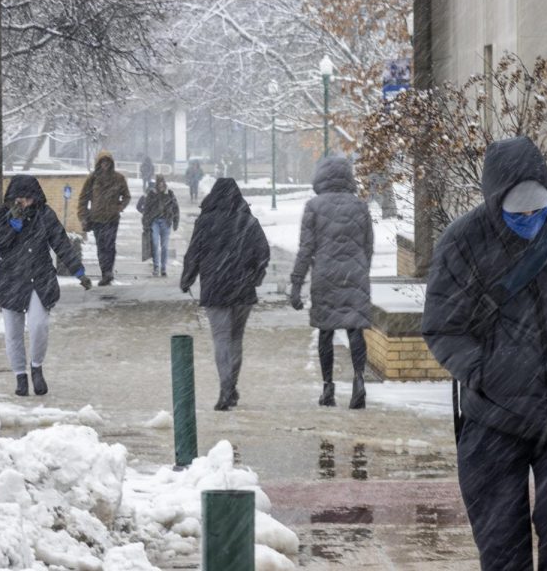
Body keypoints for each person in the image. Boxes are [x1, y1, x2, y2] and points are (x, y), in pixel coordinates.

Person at [421, 136, 547, 571]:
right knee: (502, 545)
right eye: (518, 214)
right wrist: (485, 372)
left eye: (539, 211)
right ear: (495, 205)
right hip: (494, 419)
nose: (531, 220)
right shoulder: (463, 244)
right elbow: (442, 326)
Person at [0, 175, 92, 397]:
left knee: (38, 325)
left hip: (39, 277)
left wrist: (78, 271)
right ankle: (20, 376)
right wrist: (12, 226)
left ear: (35, 198)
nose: (23, 203)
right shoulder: (1, 215)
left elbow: (61, 243)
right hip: (10, 279)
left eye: (27, 198)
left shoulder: (45, 216)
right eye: (19, 199)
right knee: (13, 332)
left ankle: (36, 368)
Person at [289, 156, 374, 410]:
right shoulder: (360, 206)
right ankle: (359, 380)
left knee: (326, 333)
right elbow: (368, 245)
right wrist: (360, 269)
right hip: (355, 274)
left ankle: (328, 387)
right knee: (355, 330)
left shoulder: (314, 206)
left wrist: (296, 284)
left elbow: (306, 249)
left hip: (325, 276)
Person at [180, 178, 270, 411]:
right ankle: (230, 386)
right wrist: (255, 277)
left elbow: (194, 252)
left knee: (221, 338)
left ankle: (226, 386)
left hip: (215, 288)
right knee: (236, 339)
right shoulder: (248, 221)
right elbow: (263, 252)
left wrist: (187, 278)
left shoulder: (206, 221)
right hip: (242, 289)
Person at [78, 150, 131, 286]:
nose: (105, 164)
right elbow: (83, 198)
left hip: (112, 219)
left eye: (107, 162)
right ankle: (104, 272)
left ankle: (108, 272)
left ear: (111, 163)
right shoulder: (93, 178)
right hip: (96, 218)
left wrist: (119, 207)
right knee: (101, 246)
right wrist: (83, 215)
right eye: (102, 162)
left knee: (109, 245)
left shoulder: (118, 178)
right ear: (99, 163)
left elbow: (126, 196)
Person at [141, 174, 179, 277]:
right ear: (157, 184)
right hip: (154, 222)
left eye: (162, 183)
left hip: (166, 222)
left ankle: (163, 268)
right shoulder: (151, 194)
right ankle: (156, 267)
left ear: (164, 183)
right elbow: (146, 210)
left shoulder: (170, 194)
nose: (161, 185)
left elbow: (176, 208)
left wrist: (175, 222)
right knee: (155, 244)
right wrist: (145, 223)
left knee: (165, 246)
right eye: (159, 183)